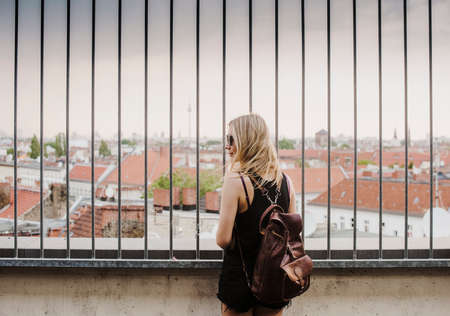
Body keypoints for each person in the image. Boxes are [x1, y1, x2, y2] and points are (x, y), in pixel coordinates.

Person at [216, 113, 296, 316]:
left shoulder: (236, 181)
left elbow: (223, 239)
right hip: (274, 277)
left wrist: (244, 242)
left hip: (240, 276)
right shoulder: (286, 182)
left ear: (245, 141)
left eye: (231, 139)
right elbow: (291, 234)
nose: (227, 146)